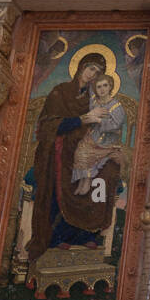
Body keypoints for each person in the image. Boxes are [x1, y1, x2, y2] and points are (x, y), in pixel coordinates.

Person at [26, 54, 121, 269]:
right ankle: (58, 235)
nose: (91, 75)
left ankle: (85, 232)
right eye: (90, 69)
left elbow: (106, 128)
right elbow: (46, 127)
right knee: (67, 171)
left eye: (97, 72)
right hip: (58, 149)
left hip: (85, 148)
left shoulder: (96, 98)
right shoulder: (61, 92)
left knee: (109, 171)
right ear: (80, 67)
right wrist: (84, 118)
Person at [71, 75, 126, 195]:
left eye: (105, 85)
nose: (102, 89)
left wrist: (98, 120)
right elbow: (89, 93)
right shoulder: (95, 102)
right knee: (80, 151)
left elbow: (116, 125)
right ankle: (82, 181)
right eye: (99, 87)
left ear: (110, 86)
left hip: (106, 142)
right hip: (92, 137)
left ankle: (87, 182)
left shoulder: (116, 106)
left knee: (87, 152)